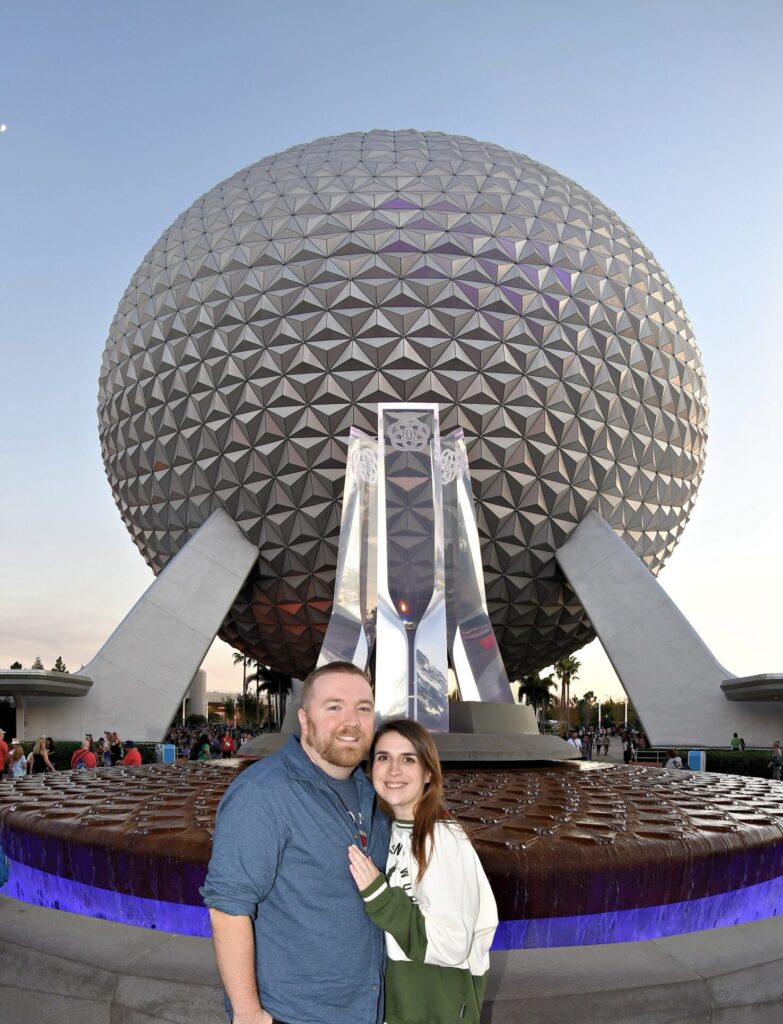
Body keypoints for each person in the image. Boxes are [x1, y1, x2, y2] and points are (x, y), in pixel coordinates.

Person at [201, 662, 389, 1024]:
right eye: (334, 707)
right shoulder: (263, 793)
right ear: (305, 720)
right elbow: (228, 907)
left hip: (368, 1008)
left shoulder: (373, 792)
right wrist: (247, 1013)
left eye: (363, 708)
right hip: (295, 1013)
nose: (352, 721)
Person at [348, 719, 498, 1024]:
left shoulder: (442, 839)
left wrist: (381, 899)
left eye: (408, 759)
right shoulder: (392, 830)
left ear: (428, 772)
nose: (393, 770)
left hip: (434, 1004)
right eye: (383, 757)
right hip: (404, 1001)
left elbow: (451, 944)